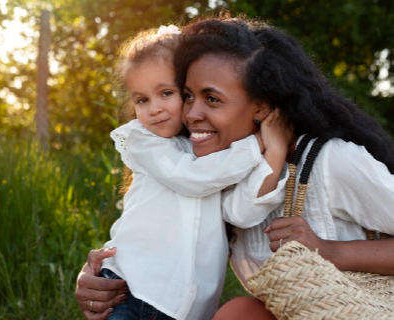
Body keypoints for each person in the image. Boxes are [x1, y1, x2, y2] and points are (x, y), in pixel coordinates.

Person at [76, 14, 394, 320]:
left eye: (212, 99)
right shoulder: (209, 170)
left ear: (263, 106)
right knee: (240, 313)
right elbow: (155, 228)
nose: (191, 114)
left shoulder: (330, 161)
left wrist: (330, 250)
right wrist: (104, 273)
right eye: (186, 95)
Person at [80, 24, 290, 320]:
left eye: (166, 93)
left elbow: (243, 211)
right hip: (131, 287)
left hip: (186, 305)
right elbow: (193, 178)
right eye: (142, 99)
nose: (153, 109)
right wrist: (257, 142)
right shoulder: (144, 141)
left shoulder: (215, 155)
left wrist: (276, 150)